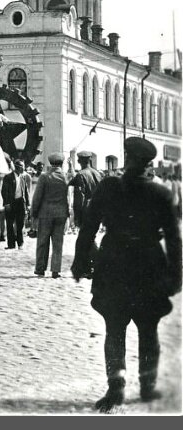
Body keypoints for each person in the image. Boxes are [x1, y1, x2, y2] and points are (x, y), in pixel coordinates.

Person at [72, 137, 181, 412]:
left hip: (114, 264)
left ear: (127, 158)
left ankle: (116, 384)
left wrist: (80, 261)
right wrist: (176, 276)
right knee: (148, 329)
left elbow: (88, 227)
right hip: (149, 266)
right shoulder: (161, 193)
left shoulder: (109, 187)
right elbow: (174, 239)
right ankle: (147, 385)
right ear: (149, 164)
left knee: (114, 327)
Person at [31, 153, 69, 278]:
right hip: (61, 214)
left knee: (42, 241)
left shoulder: (45, 177)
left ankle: (40, 268)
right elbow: (68, 197)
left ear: (50, 163)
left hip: (45, 213)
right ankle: (55, 270)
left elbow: (37, 197)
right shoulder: (65, 177)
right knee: (58, 243)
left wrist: (33, 213)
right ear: (61, 164)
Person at [67, 151, 102, 275]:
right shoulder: (97, 173)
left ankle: (100, 264)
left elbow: (79, 197)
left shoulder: (81, 175)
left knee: (87, 239)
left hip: (86, 210)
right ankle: (88, 268)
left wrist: (77, 216)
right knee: (89, 238)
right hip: (97, 209)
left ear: (79, 161)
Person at [2, 158, 31, 250]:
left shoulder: (23, 177)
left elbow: (26, 192)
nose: (23, 168)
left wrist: (28, 204)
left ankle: (20, 243)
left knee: (20, 224)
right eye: (22, 166)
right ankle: (11, 244)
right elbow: (4, 191)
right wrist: (6, 203)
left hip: (20, 203)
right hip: (11, 203)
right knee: (10, 224)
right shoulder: (8, 177)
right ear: (17, 167)